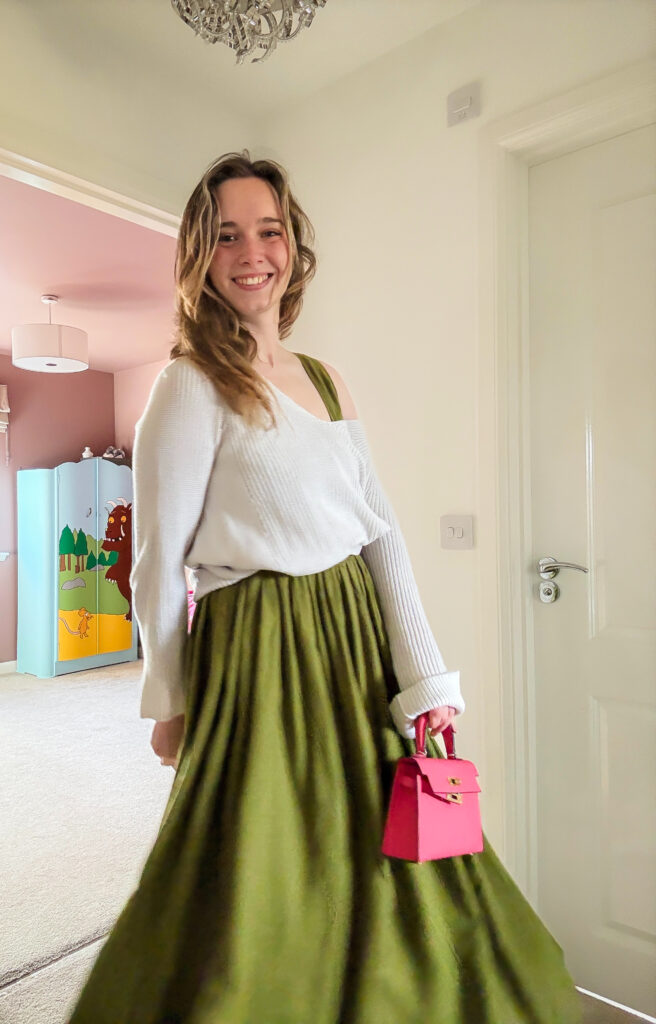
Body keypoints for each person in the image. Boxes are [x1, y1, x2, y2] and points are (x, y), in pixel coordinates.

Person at [68, 152, 581, 1023]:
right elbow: (158, 558)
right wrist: (170, 698)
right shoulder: (187, 386)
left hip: (355, 645)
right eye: (226, 234)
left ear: (293, 247)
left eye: (268, 230)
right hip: (260, 653)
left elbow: (380, 529)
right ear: (201, 256)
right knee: (262, 884)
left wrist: (426, 682)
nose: (251, 251)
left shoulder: (327, 380)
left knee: (398, 867)